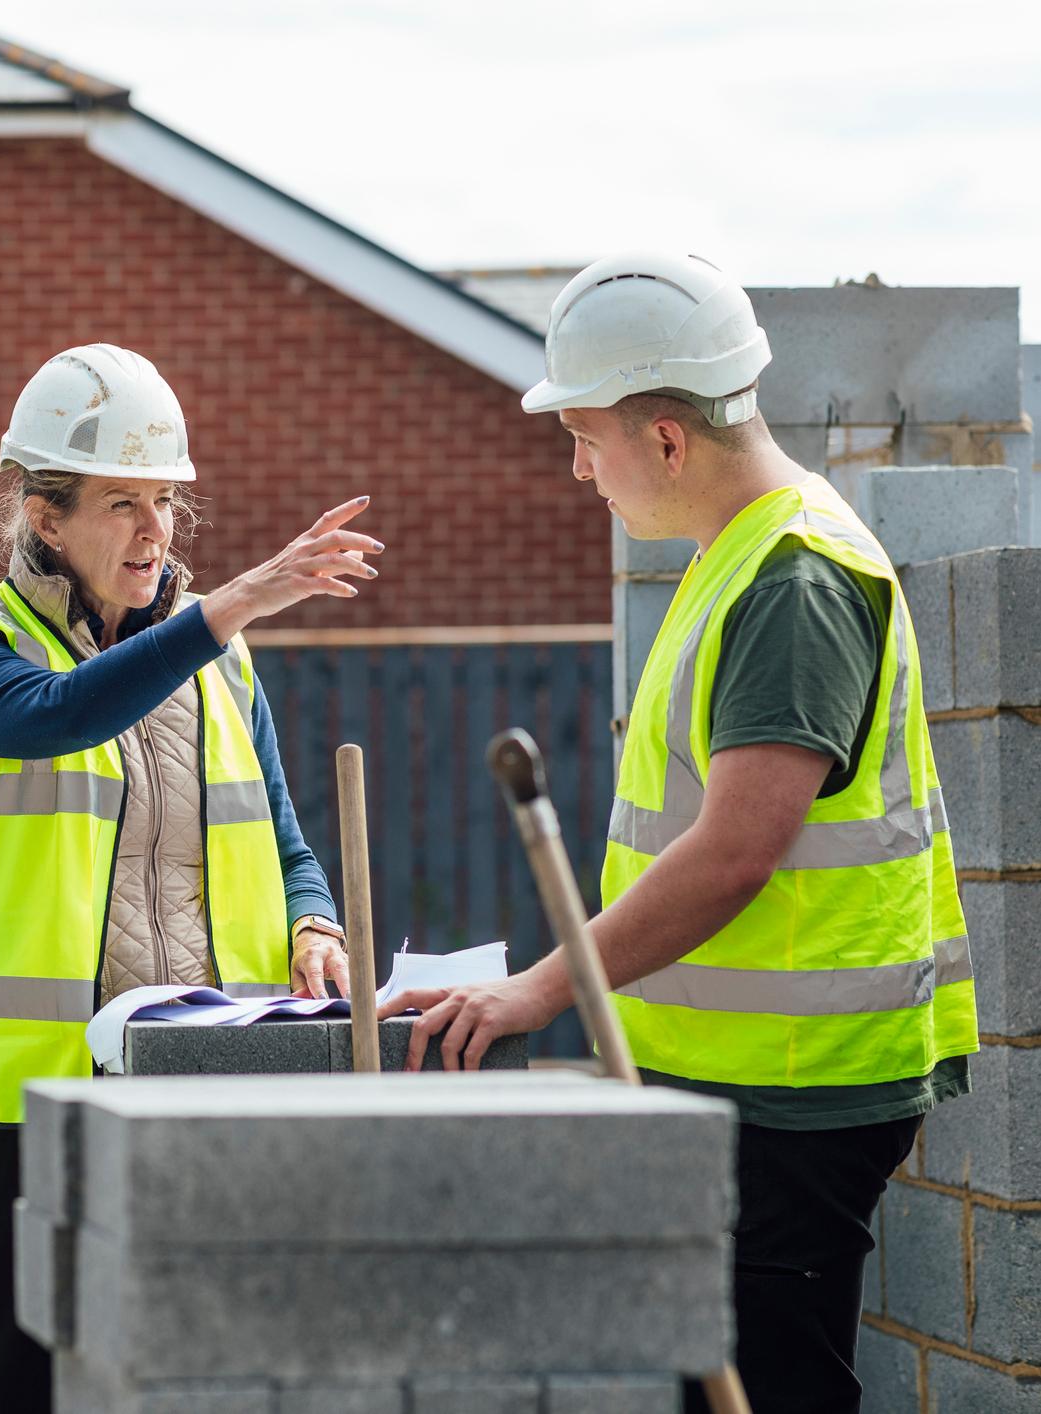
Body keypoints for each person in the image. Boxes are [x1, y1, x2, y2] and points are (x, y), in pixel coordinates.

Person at [386, 254, 979, 1414]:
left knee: (772, 1387)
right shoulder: (736, 558)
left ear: (666, 439)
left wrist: (540, 989)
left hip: (796, 1094)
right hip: (737, 1081)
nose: (576, 465)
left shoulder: (794, 579)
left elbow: (734, 850)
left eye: (586, 436)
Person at [0, 343, 384, 1412]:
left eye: (164, 500)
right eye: (122, 502)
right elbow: (63, 713)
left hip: (208, 1082)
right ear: (44, 516)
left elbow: (291, 847)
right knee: (9, 1388)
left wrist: (316, 927)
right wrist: (236, 603)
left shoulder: (224, 661)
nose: (155, 529)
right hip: (33, 1100)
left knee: (193, 1374)